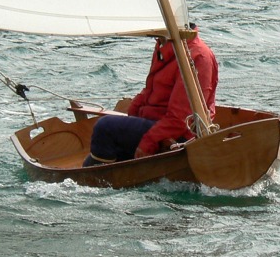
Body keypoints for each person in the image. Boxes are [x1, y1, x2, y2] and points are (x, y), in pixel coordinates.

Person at [83, 27, 218, 166]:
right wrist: (134, 113)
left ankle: (97, 180)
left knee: (105, 127)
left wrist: (148, 141)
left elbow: (181, 119)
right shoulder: (165, 43)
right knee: (101, 147)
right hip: (157, 126)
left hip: (180, 137)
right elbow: (151, 90)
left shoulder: (198, 56)